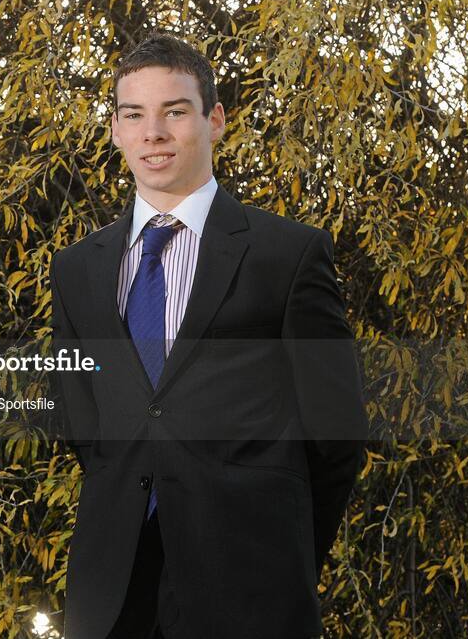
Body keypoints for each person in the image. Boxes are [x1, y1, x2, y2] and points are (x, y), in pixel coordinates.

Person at [50, 32, 368, 638]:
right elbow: (84, 425)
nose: (154, 133)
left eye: (174, 111)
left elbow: (337, 434)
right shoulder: (76, 270)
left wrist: (283, 554)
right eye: (134, 115)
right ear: (116, 130)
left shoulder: (289, 255)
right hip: (112, 595)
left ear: (214, 119)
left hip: (252, 590)